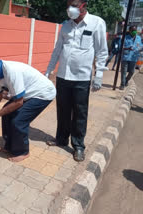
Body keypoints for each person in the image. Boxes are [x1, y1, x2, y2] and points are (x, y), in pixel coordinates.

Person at [45, 0, 108, 162]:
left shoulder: (96, 23)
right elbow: (58, 48)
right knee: (63, 110)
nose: (70, 9)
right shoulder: (66, 25)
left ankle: (78, 146)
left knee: (80, 112)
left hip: (82, 78)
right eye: (68, 5)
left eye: (73, 4)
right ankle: (61, 139)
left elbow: (102, 51)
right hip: (63, 76)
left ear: (83, 5)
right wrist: (49, 70)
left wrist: (99, 74)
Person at [0, 49, 56, 162]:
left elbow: (18, 102)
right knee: (6, 112)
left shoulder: (11, 71)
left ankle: (23, 152)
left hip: (43, 93)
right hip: (27, 93)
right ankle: (9, 146)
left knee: (18, 121)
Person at [120, 26, 142, 90]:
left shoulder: (138, 38)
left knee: (132, 72)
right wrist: (127, 48)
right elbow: (121, 47)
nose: (134, 32)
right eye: (133, 30)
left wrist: (140, 49)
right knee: (123, 72)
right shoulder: (125, 38)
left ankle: (126, 80)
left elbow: (140, 46)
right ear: (129, 31)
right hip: (125, 57)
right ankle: (122, 84)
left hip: (134, 58)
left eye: (135, 30)